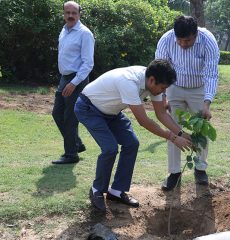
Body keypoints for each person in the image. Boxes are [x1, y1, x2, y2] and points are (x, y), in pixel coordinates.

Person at [74, 59, 192, 211]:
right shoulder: (129, 81)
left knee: (131, 143)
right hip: (89, 108)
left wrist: (182, 133)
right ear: (152, 80)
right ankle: (97, 190)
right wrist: (173, 137)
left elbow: (161, 113)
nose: (163, 93)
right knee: (110, 148)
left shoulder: (153, 82)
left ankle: (116, 191)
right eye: (163, 88)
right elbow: (143, 121)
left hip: (112, 112)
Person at [155, 15, 220, 191]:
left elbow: (211, 74)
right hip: (173, 87)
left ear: (196, 34)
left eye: (188, 40)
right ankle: (174, 172)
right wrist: (164, 97)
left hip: (198, 89)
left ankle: (200, 169)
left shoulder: (208, 40)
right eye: (180, 40)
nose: (183, 44)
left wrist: (207, 103)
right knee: (174, 128)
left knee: (201, 129)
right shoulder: (166, 40)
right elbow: (160, 70)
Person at [52, 1, 94, 164]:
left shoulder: (85, 34)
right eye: (67, 12)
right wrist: (66, 80)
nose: (70, 16)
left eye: (74, 13)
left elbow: (88, 63)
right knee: (57, 114)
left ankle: (71, 155)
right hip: (65, 78)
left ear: (79, 14)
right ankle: (76, 143)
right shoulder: (64, 30)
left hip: (77, 79)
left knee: (70, 117)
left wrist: (74, 83)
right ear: (63, 14)